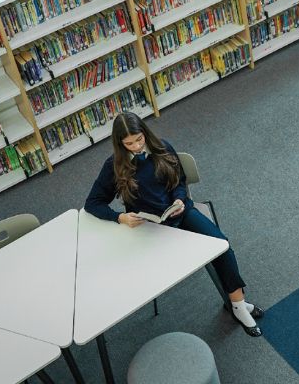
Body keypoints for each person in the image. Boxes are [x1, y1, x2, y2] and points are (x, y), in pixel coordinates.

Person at [83, 112, 265, 337]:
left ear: (144, 133)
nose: (136, 146)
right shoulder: (115, 166)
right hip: (149, 226)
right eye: (129, 143)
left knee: (221, 245)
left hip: (179, 212)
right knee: (151, 272)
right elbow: (93, 203)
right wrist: (120, 217)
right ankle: (236, 305)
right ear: (120, 143)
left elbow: (179, 180)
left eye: (139, 139)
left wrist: (180, 199)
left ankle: (238, 305)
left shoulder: (161, 148)